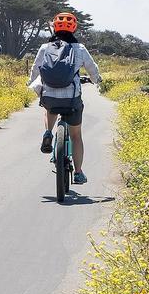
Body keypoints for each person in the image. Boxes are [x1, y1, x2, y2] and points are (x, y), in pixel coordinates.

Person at [29, 12, 100, 184]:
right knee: (76, 135)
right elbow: (93, 70)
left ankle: (48, 133)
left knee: (48, 106)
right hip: (71, 98)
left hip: (50, 96)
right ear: (74, 28)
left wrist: (32, 83)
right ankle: (78, 172)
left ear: (54, 27)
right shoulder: (79, 49)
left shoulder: (45, 48)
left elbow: (35, 70)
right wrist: (97, 80)